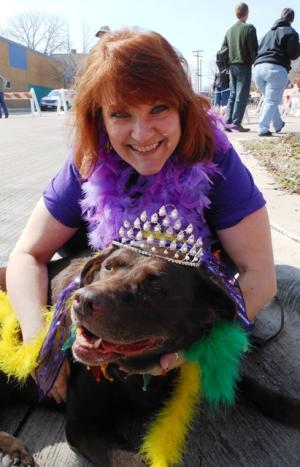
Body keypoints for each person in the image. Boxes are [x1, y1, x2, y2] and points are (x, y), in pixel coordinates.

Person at [6, 28, 276, 404]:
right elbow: (26, 255)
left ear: (183, 107)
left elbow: (260, 275)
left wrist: (185, 352)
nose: (141, 133)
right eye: (120, 113)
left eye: (159, 108)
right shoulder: (88, 160)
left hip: (170, 305)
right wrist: (42, 344)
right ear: (100, 118)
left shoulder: (217, 161)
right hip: (107, 299)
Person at [253, 8, 300, 136]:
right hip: (275, 68)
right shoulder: (291, 32)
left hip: (257, 69)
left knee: (269, 100)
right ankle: (263, 128)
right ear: (292, 19)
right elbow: (293, 54)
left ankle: (278, 124)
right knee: (271, 101)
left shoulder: (268, 33)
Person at [222, 3, 258, 131]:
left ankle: (227, 122)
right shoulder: (249, 28)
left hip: (232, 66)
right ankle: (237, 123)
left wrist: (226, 65)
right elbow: (253, 50)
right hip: (244, 65)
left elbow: (223, 50)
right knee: (241, 95)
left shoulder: (229, 31)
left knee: (232, 94)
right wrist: (256, 61)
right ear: (247, 13)